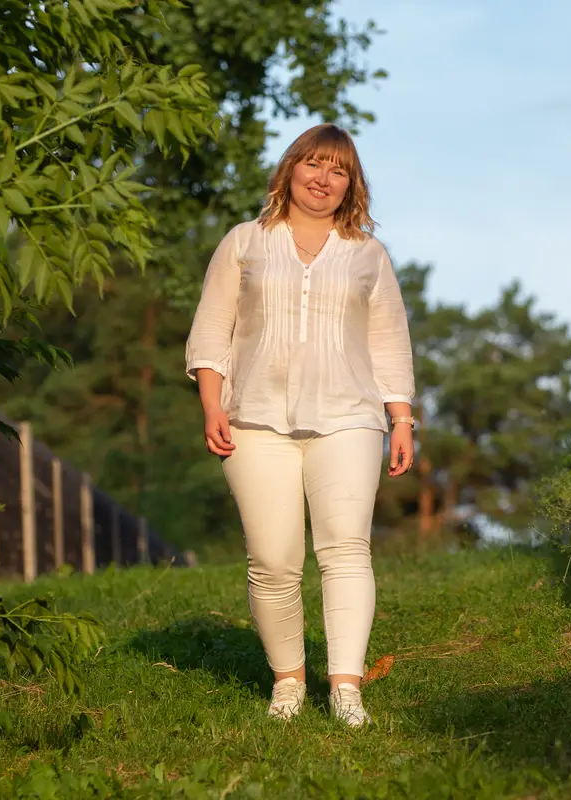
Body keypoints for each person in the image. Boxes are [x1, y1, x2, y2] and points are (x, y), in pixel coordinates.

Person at [185, 123, 415, 727]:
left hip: (350, 418)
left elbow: (389, 341)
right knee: (272, 558)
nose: (323, 179)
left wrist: (401, 418)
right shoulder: (245, 242)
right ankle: (288, 681)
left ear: (351, 185)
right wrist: (212, 404)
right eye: (313, 164)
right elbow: (211, 329)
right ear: (289, 169)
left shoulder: (368, 255)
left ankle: (346, 689)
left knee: (346, 549)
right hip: (253, 418)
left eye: (338, 171)